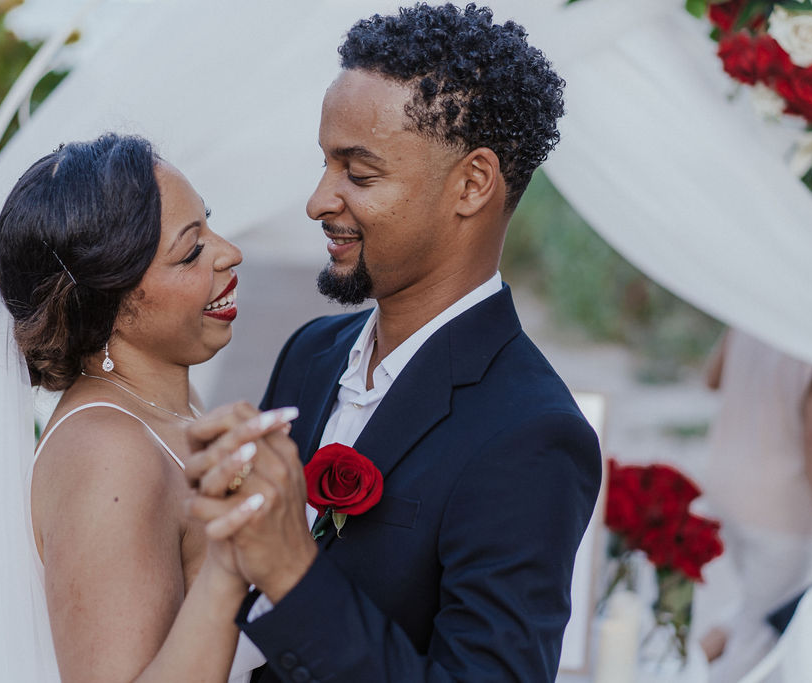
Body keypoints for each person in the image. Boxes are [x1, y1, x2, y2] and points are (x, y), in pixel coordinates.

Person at [183, 5, 603, 681]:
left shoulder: (532, 435)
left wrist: (292, 568)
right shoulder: (311, 353)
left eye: (359, 173)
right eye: (326, 163)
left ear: (472, 184)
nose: (319, 201)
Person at [0, 134, 274, 682]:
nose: (229, 252)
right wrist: (229, 566)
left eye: (208, 225)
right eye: (190, 251)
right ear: (109, 302)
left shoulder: (172, 409)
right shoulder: (109, 455)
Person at [695, 328, 812, 683]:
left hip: (726, 483)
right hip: (780, 506)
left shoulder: (760, 311)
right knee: (759, 637)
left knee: (758, 607)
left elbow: (712, 379)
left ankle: (691, 658)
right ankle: (695, 667)